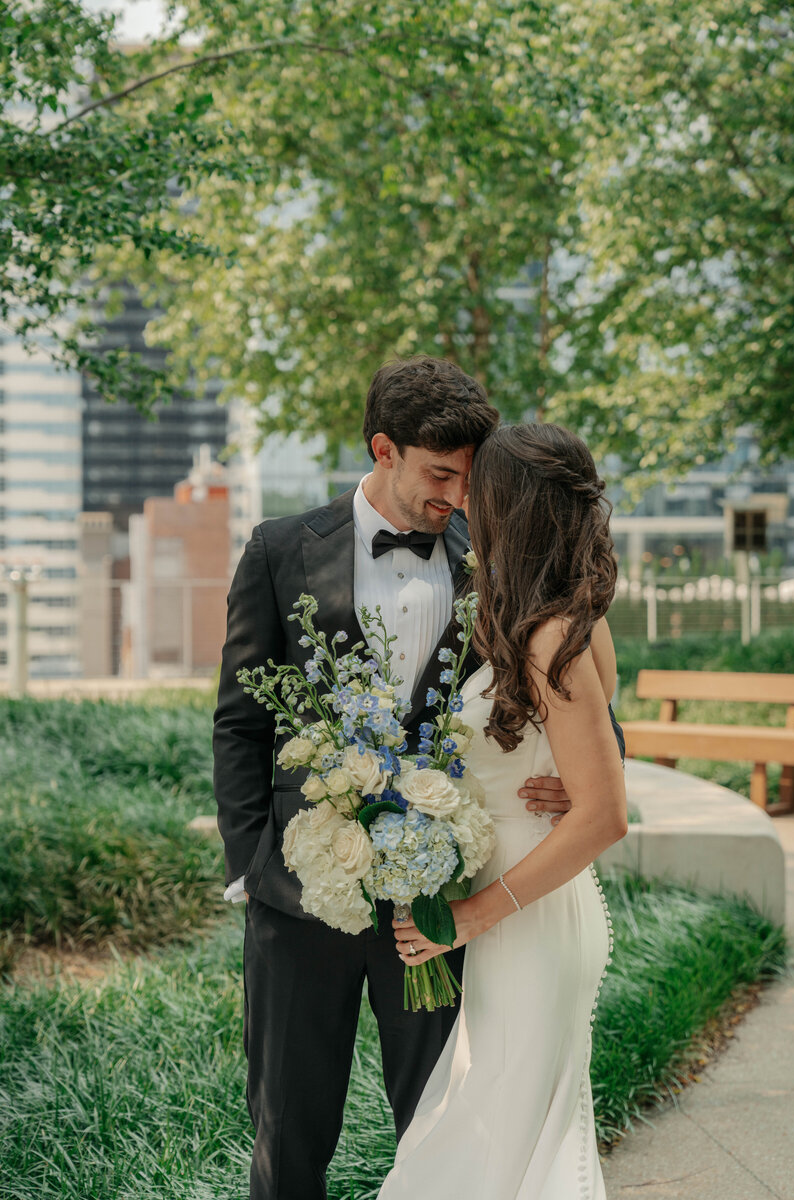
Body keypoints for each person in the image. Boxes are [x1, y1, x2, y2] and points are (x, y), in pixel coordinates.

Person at [213, 359, 605, 1200]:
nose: (458, 497)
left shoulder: (501, 562)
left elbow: (581, 695)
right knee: (288, 1127)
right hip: (303, 890)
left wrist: (574, 780)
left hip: (442, 898)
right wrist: (255, 869)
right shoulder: (281, 550)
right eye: (440, 475)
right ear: (383, 448)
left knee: (439, 1125)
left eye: (470, 479)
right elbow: (240, 722)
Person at [382, 422, 627, 1200]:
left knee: (492, 1143)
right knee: (503, 1138)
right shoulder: (545, 616)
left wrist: (476, 913)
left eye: (475, 492)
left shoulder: (555, 630)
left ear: (509, 509)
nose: (460, 505)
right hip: (520, 916)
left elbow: (604, 814)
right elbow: (575, 768)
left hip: (528, 921)